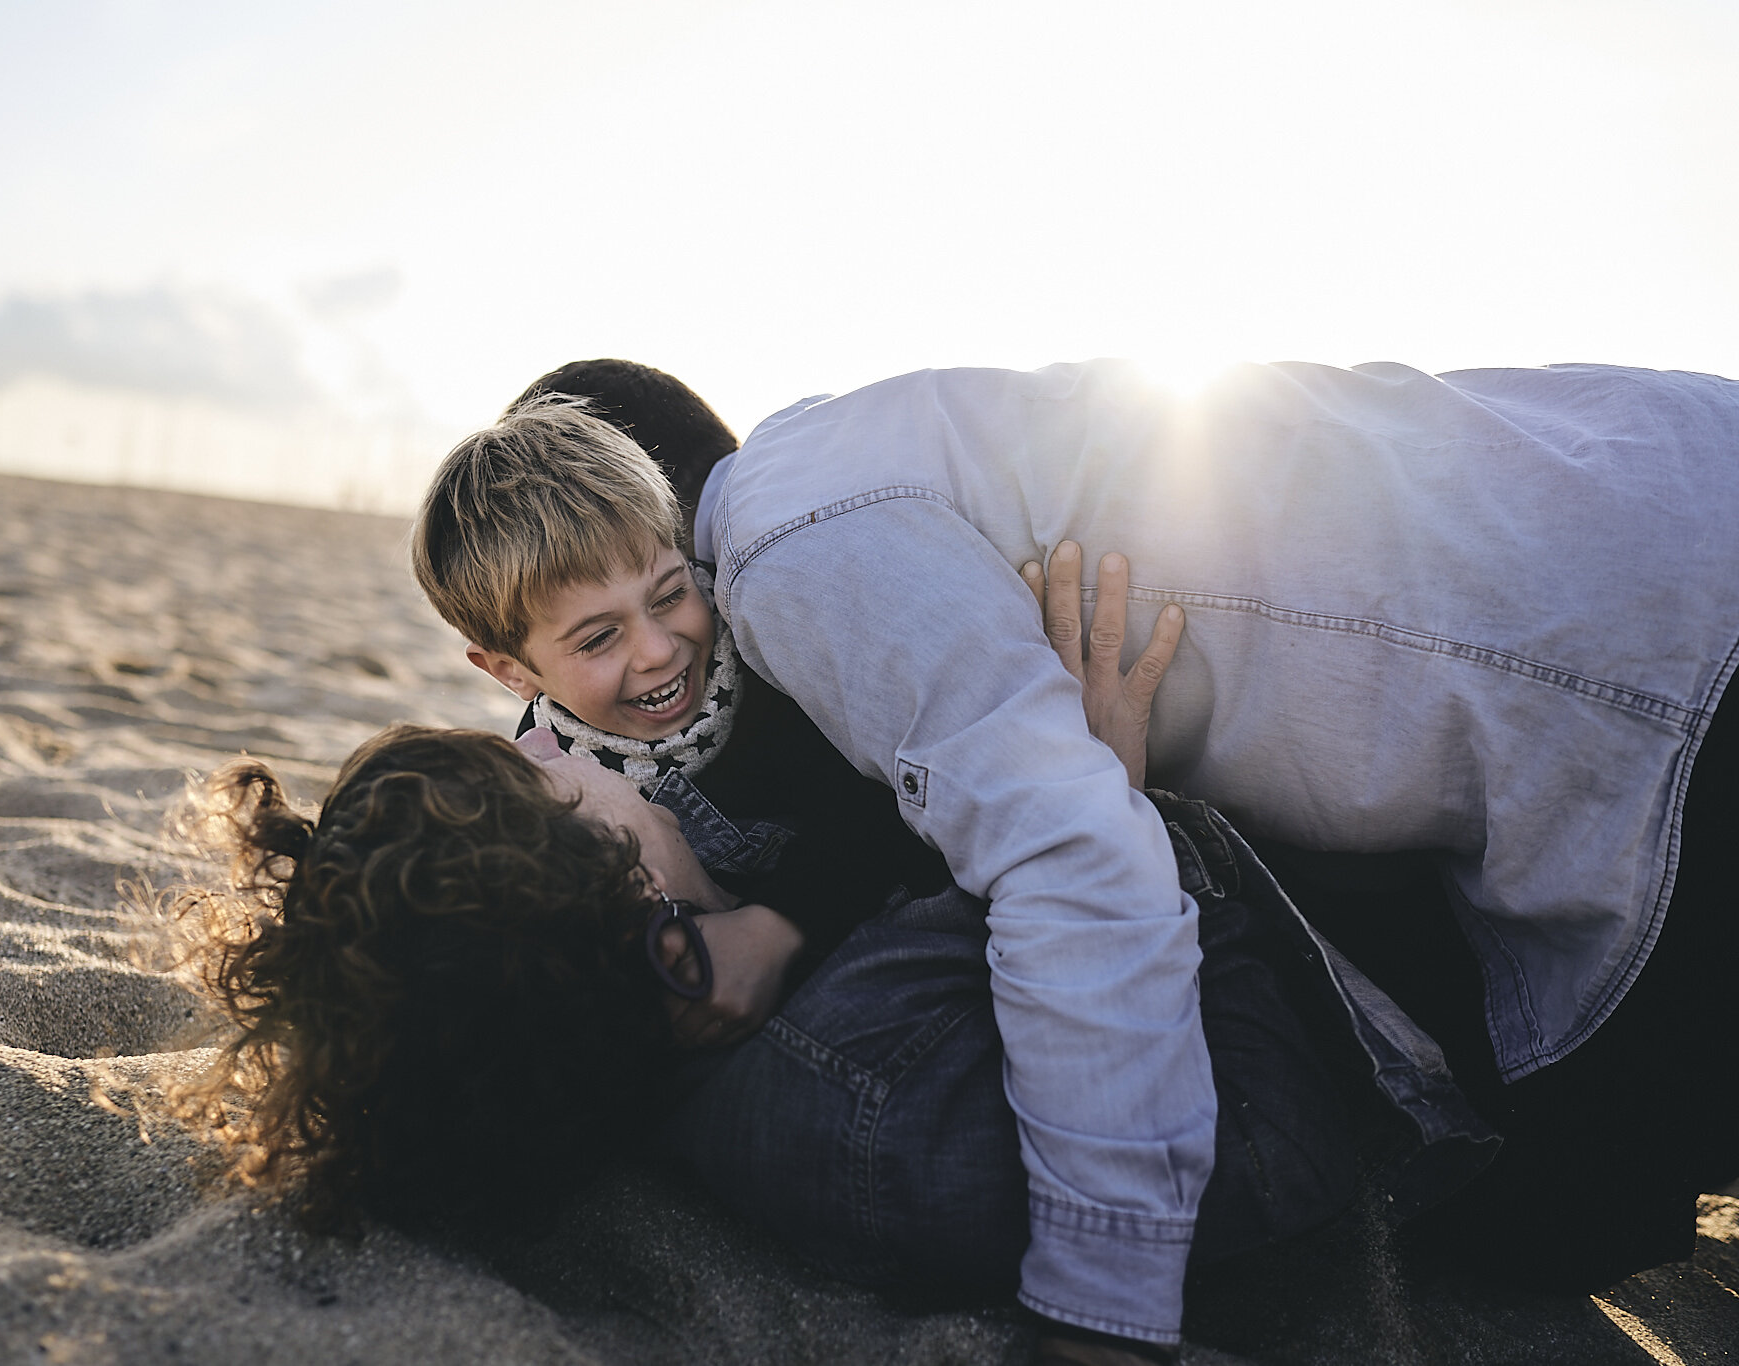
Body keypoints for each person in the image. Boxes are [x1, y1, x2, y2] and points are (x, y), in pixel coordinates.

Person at [658, 356, 1739, 1344]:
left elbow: (1065, 859)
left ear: (654, 526)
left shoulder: (773, 538)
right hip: (1645, 461)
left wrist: (1099, 1305)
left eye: (628, 610)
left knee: (1554, 1210)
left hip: (1655, 664)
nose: (649, 669)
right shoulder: (869, 444)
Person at [404, 390, 1490, 1363]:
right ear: (508, 669)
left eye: (671, 593)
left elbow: (890, 819)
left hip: (915, 921)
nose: (657, 651)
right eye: (597, 637)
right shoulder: (552, 780)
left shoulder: (771, 660)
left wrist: (793, 916)